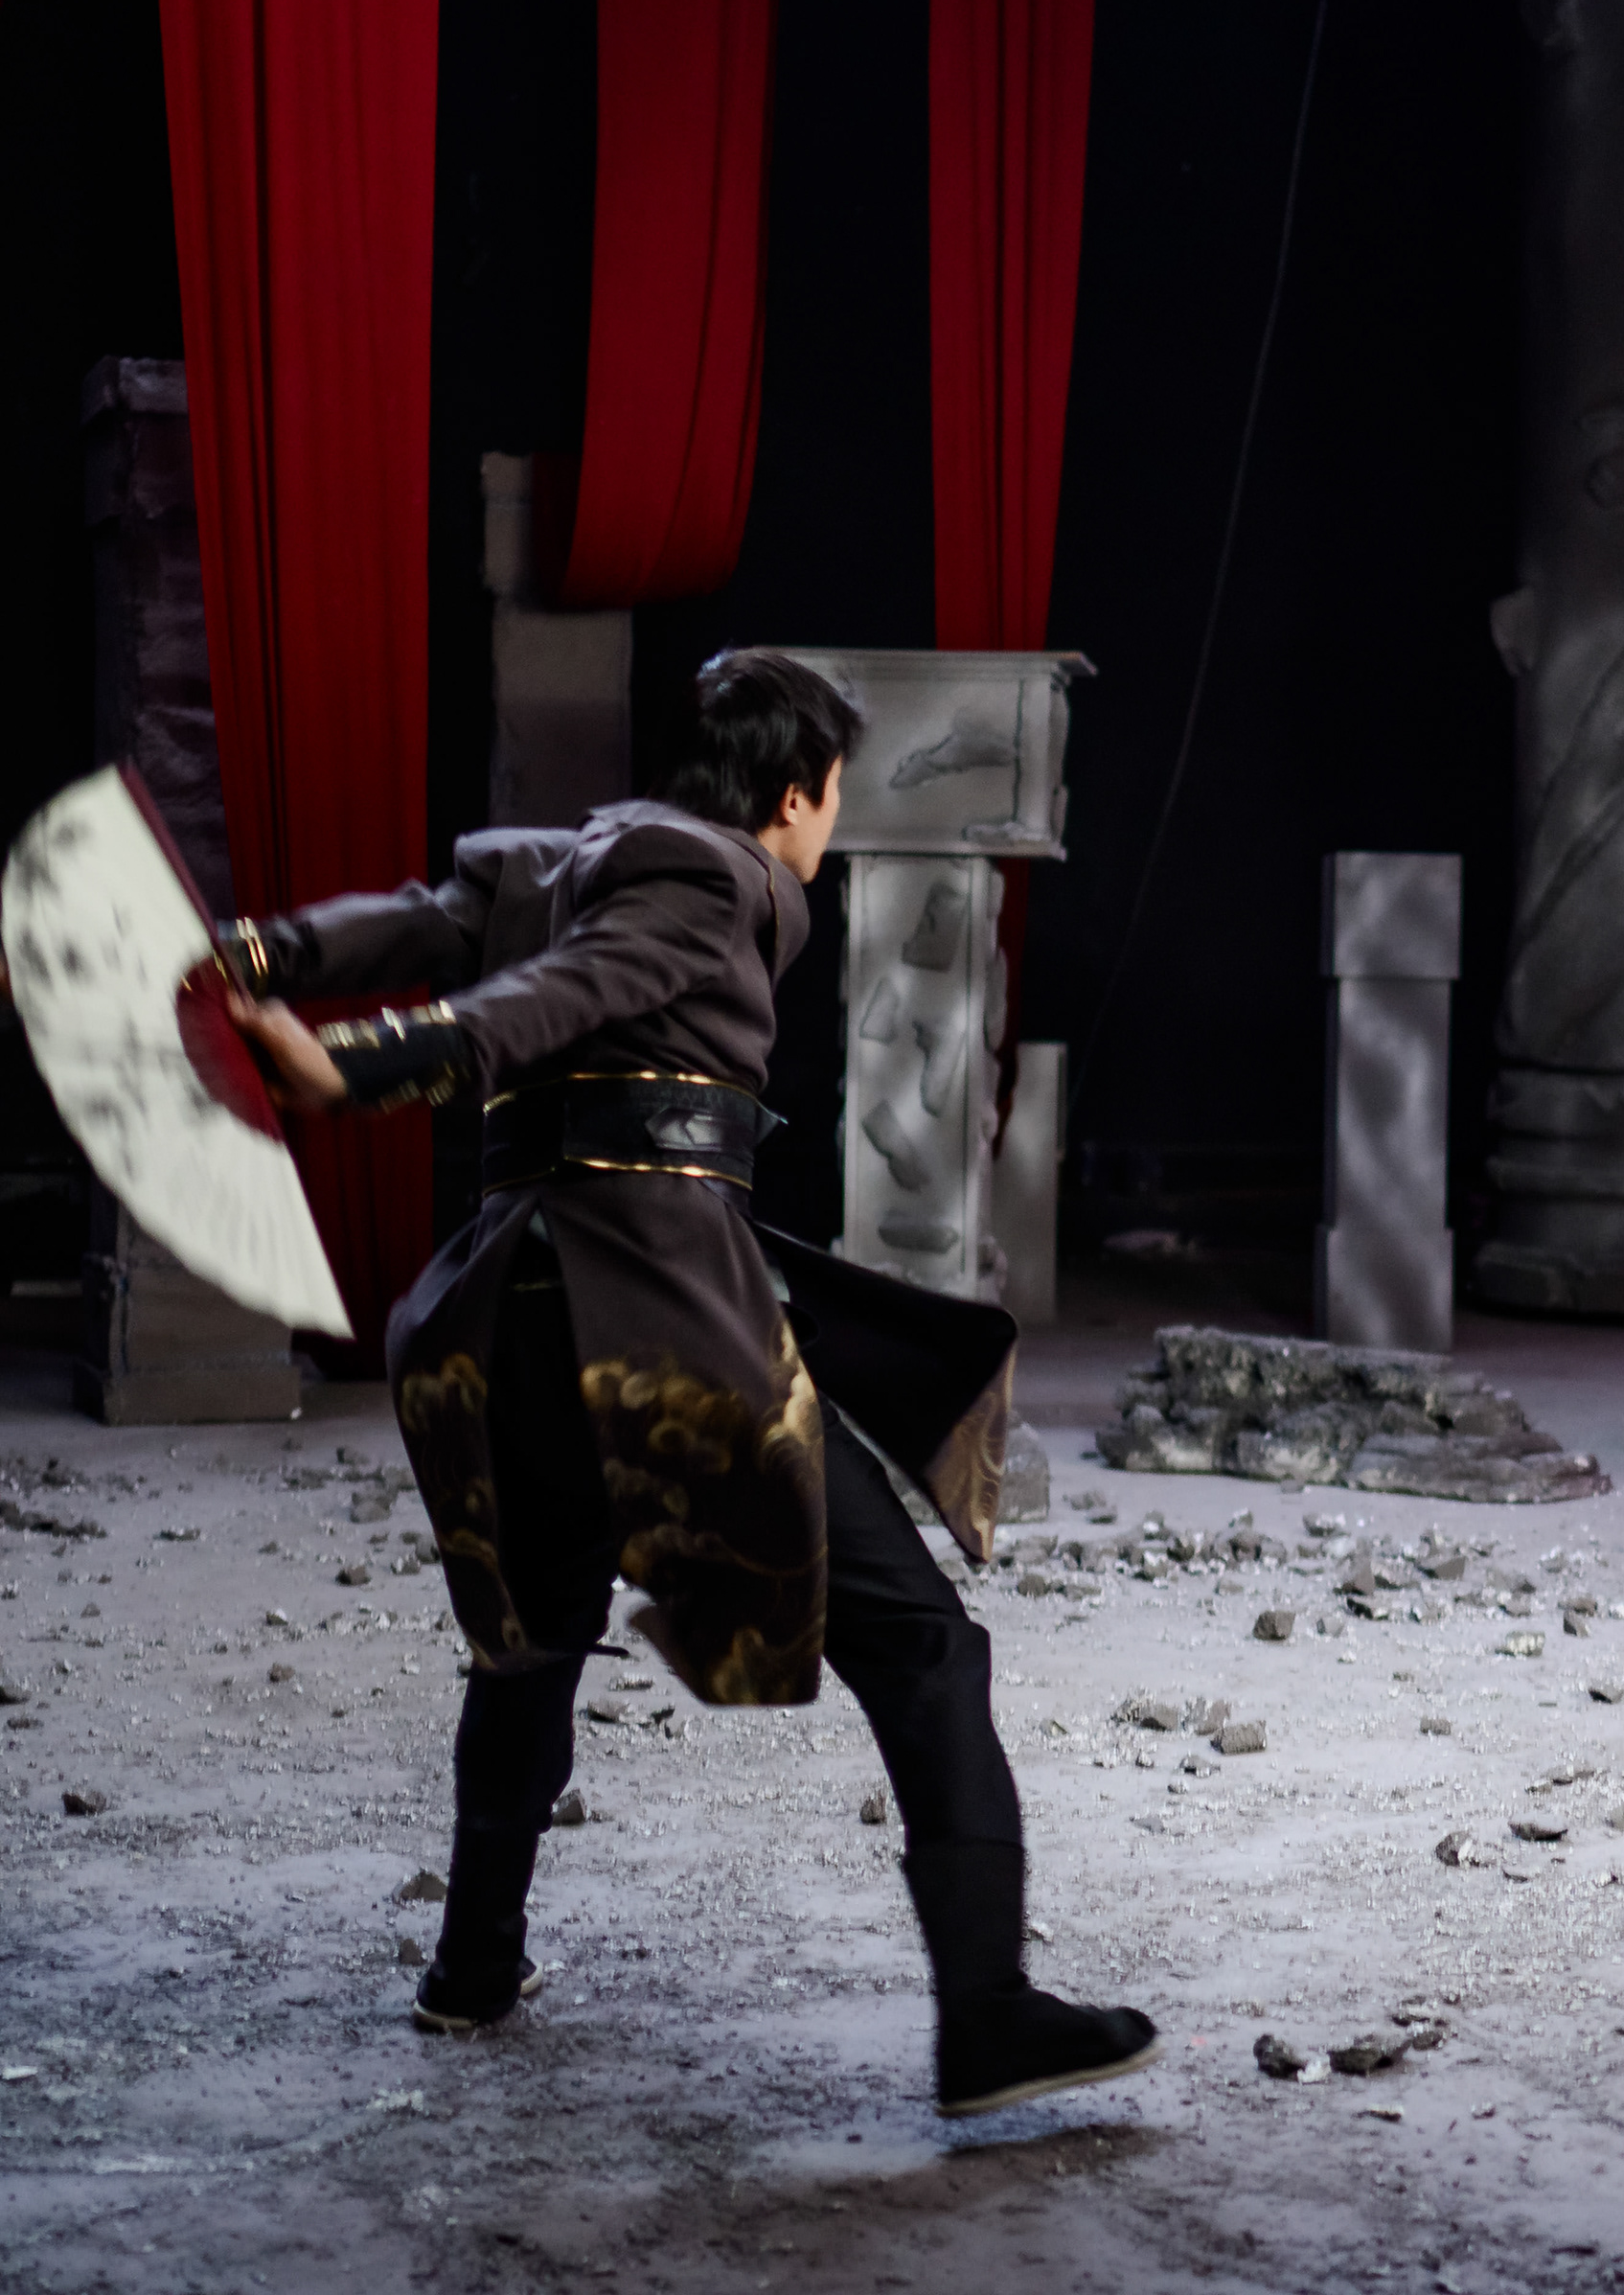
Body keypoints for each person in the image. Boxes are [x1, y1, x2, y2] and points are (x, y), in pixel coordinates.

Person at [216, 648, 1157, 2114]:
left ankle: (473, 1969)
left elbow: (407, 925)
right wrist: (370, 1067)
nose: (827, 828)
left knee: (534, 1642)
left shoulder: (550, 863)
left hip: (515, 1324)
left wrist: (239, 958)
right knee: (925, 1645)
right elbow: (575, 991)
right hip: (655, 1327)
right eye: (832, 797)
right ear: (794, 796)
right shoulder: (709, 876)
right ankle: (988, 2015)